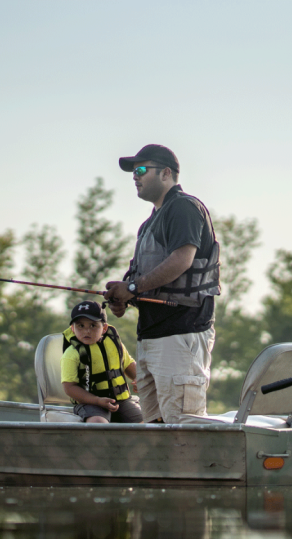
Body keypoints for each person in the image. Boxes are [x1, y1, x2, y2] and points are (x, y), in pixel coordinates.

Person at [104, 144, 219, 424]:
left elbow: (182, 259)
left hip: (181, 334)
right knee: (155, 431)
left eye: (141, 169)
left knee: (182, 430)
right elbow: (144, 278)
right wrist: (123, 297)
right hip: (152, 337)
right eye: (133, 172)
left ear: (166, 173)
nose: (135, 176)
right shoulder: (149, 224)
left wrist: (131, 289)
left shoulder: (183, 207)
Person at [61, 300, 144, 424]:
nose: (86, 331)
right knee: (98, 423)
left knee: (145, 422)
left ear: (104, 328)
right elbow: (69, 388)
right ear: (72, 328)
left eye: (93, 325)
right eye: (80, 326)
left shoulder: (115, 345)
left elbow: (128, 364)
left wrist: (140, 379)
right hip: (90, 403)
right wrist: (97, 401)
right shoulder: (71, 354)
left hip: (121, 401)